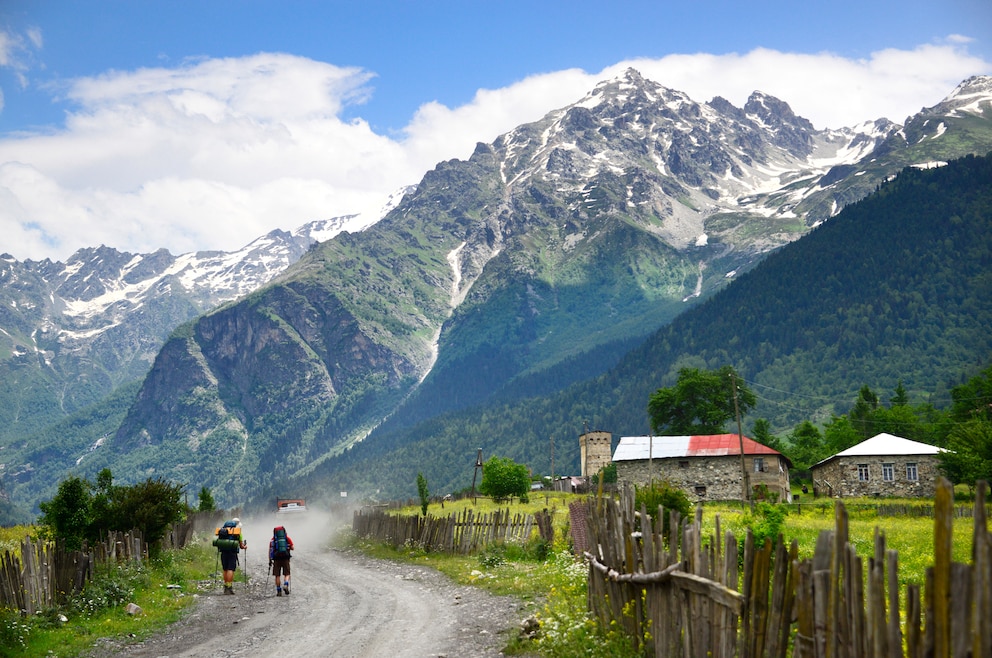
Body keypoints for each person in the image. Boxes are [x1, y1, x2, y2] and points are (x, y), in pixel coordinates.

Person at [213, 517, 247, 595]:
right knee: (230, 569)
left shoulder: (222, 531)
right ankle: (229, 587)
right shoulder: (236, 532)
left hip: (223, 552)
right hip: (232, 552)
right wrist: (245, 547)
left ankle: (225, 586)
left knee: (225, 569)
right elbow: (241, 546)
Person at [269, 525, 295, 597]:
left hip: (276, 559)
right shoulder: (287, 538)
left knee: (277, 575)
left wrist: (270, 560)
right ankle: (286, 584)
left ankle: (279, 590)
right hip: (286, 558)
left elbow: (270, 551)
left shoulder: (273, 540)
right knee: (287, 573)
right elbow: (292, 548)